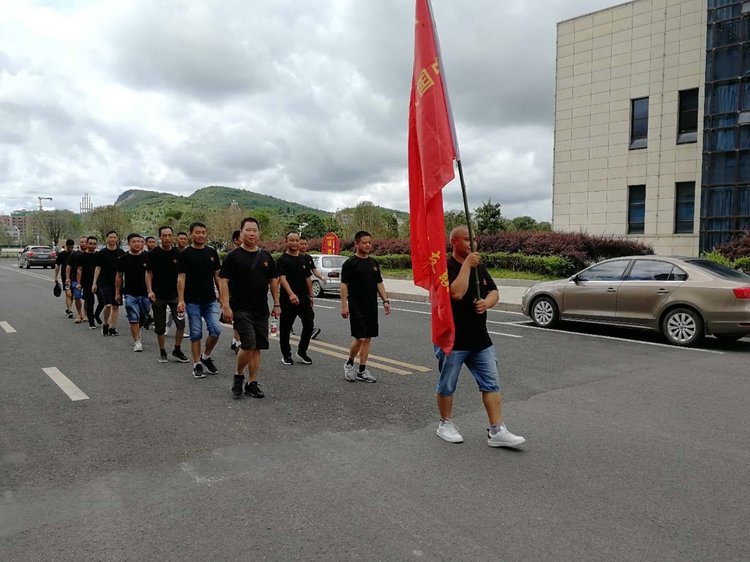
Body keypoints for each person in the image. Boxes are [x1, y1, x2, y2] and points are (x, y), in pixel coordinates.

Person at [434, 226, 525, 448]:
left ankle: (497, 430)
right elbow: (456, 293)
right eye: (467, 239)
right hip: (453, 339)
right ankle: (445, 423)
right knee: (447, 385)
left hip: (480, 339)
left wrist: (487, 303)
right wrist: (467, 265)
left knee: (491, 383)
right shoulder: (444, 266)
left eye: (474, 239)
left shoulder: (479, 266)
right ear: (454, 242)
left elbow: (493, 291)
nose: (473, 243)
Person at [219, 217, 280, 399]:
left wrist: (276, 304)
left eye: (255, 230)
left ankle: (252, 383)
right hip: (240, 308)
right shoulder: (233, 256)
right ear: (241, 232)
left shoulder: (266, 256)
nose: (252, 233)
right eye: (248, 230)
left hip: (261, 309)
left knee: (257, 347)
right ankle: (238, 376)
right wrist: (226, 306)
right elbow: (223, 281)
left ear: (258, 233)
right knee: (248, 344)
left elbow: (273, 281)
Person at [340, 230, 390, 383]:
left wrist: (385, 300)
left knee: (368, 338)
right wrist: (344, 306)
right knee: (360, 338)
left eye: (369, 242)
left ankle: (362, 370)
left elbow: (378, 283)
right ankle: (349, 364)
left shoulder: (373, 263)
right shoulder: (350, 263)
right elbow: (344, 286)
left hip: (371, 306)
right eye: (364, 242)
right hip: (356, 305)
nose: (368, 245)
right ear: (357, 244)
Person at [177, 222, 222, 378]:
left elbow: (217, 275)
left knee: (216, 329)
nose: (201, 235)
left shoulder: (212, 252)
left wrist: (222, 294)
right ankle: (197, 364)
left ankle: (206, 356)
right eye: (197, 232)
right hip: (192, 301)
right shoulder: (185, 254)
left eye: (203, 232)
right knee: (196, 333)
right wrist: (181, 300)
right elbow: (181, 278)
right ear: (191, 234)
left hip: (210, 299)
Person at [146, 226, 189, 363]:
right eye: (164, 235)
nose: (167, 238)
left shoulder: (179, 253)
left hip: (175, 295)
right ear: (160, 237)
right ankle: (162, 351)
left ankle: (177, 349)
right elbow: (149, 274)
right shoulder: (153, 254)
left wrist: (183, 294)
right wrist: (150, 290)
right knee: (160, 326)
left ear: (173, 236)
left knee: (181, 324)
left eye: (170, 235)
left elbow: (183, 275)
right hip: (158, 295)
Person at [277, 231, 314, 366]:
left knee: (309, 323)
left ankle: (302, 351)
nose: (294, 243)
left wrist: (311, 295)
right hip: (288, 299)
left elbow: (307, 278)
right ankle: (286, 354)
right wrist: (291, 294)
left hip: (303, 298)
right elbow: (282, 278)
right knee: (286, 328)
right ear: (286, 242)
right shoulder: (282, 260)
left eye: (296, 240)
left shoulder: (304, 259)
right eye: (291, 240)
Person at [115, 233, 150, 352]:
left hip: (146, 293)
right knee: (133, 317)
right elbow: (119, 276)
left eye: (139, 241)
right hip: (130, 293)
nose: (137, 244)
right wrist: (117, 293)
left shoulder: (147, 257)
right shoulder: (123, 259)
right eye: (134, 241)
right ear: (128, 243)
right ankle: (137, 341)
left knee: (144, 317)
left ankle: (137, 329)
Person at [91, 230, 125, 336]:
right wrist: (94, 283)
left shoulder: (121, 253)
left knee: (116, 306)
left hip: (118, 283)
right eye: (110, 237)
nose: (112, 239)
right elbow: (98, 268)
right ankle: (105, 324)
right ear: (106, 239)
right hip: (104, 282)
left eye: (114, 237)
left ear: (117, 239)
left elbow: (124, 269)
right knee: (108, 305)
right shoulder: (102, 253)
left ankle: (112, 327)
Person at [298, 236, 322, 340]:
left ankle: (310, 330)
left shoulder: (308, 258)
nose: (304, 246)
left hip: (305, 290)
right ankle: (287, 328)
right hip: (293, 290)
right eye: (301, 244)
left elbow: (314, 270)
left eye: (305, 244)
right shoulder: (293, 257)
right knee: (291, 313)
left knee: (308, 312)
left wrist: (321, 277)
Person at [76, 236, 99, 329]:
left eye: (94, 244)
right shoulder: (81, 256)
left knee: (102, 301)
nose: (92, 246)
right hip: (86, 282)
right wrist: (79, 283)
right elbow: (79, 270)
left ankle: (96, 315)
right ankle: (91, 322)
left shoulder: (99, 255)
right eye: (90, 243)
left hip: (99, 281)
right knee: (90, 302)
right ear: (87, 244)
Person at [65, 236, 88, 323]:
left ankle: (86, 314)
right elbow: (68, 266)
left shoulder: (91, 254)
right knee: (77, 297)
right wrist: (67, 278)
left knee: (87, 298)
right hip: (75, 279)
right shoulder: (74, 254)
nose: (83, 244)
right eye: (81, 242)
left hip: (87, 280)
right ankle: (79, 314)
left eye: (85, 242)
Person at [228, 229, 242, 354]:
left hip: (249, 295)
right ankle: (237, 342)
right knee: (237, 318)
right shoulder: (232, 256)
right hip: (234, 293)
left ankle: (235, 340)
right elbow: (224, 279)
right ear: (236, 240)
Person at [54, 239, 75, 318]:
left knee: (72, 294)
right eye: (69, 247)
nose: (70, 248)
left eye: (72, 247)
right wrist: (55, 277)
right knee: (68, 293)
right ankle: (70, 310)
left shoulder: (75, 254)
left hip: (74, 277)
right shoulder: (62, 254)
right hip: (65, 277)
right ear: (66, 246)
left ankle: (68, 308)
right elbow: (57, 266)